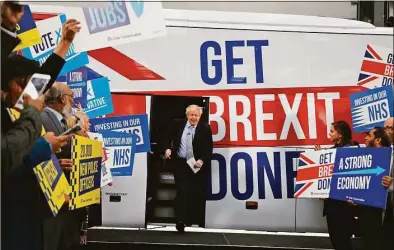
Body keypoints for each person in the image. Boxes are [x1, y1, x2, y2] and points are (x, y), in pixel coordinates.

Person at [1, 55, 72, 250]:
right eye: (22, 84)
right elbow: (9, 157)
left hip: (26, 213)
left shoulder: (12, 109)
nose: (27, 93)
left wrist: (65, 43)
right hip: (11, 219)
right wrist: (44, 145)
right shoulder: (27, 114)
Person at [40, 82, 82, 250]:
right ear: (63, 98)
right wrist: (54, 164)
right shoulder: (42, 118)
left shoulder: (63, 121)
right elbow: (31, 150)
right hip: (49, 200)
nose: (72, 101)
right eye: (71, 97)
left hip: (65, 199)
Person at [164, 104, 213, 233]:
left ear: (200, 116)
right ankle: (180, 221)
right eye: (191, 115)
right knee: (182, 190)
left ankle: (191, 218)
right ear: (187, 115)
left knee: (193, 191)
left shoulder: (205, 128)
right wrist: (167, 148)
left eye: (196, 115)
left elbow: (208, 149)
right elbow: (166, 138)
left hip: (196, 165)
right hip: (179, 163)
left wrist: (201, 160)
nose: (193, 117)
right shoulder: (177, 124)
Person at [315, 120, 358, 250]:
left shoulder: (352, 150)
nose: (329, 133)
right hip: (331, 206)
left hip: (344, 206)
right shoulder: (330, 152)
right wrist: (319, 156)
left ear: (340, 134)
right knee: (335, 241)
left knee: (343, 242)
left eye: (332, 131)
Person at [359, 127, 392, 250]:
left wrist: (392, 183)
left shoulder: (390, 157)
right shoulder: (364, 158)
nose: (365, 138)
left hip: (383, 215)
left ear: (377, 140)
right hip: (366, 213)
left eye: (369, 135)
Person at [382, 117, 394, 250]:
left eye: (389, 128)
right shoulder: (385, 151)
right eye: (384, 128)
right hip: (386, 208)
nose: (386, 131)